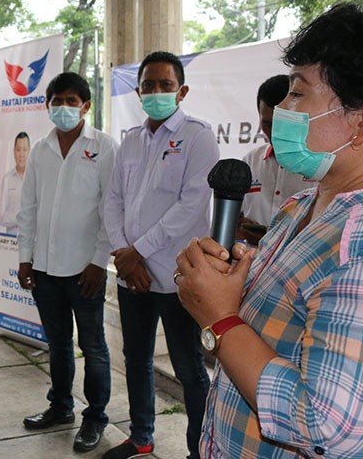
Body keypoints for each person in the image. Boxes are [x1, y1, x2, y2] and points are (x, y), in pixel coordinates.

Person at [174, 4, 363, 458]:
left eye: (298, 93)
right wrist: (223, 294)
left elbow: (326, 428)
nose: (282, 109)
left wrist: (220, 319)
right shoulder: (303, 206)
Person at [102, 51, 218, 459]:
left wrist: (137, 252)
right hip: (132, 275)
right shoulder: (131, 140)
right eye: (148, 85)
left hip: (175, 275)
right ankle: (141, 437)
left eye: (165, 85)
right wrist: (123, 253)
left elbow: (190, 206)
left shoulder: (198, 137)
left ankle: (199, 450)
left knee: (189, 368)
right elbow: (113, 199)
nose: (155, 92)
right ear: (138, 92)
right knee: (135, 359)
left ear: (181, 91)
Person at [16, 72, 117, 453]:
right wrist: (25, 259)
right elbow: (28, 208)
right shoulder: (40, 150)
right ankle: (60, 407)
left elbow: (111, 209)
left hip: (84, 269)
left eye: (71, 101)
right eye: (56, 101)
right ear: (47, 105)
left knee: (93, 347)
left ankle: (96, 417)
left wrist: (99, 261)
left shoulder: (104, 147)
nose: (63, 107)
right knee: (57, 343)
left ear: (86, 106)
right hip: (44, 267)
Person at [239, 74, 315, 245]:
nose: (274, 132)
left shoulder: (318, 165)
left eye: (281, 124)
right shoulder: (250, 161)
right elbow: (237, 217)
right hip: (250, 258)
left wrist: (270, 238)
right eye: (267, 123)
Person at [0, 131, 30, 234]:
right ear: (14, 152)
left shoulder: (36, 179)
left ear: (29, 152)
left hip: (32, 240)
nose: (21, 155)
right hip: (10, 240)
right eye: (18, 150)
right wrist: (21, 217)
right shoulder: (7, 179)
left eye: (25, 150)